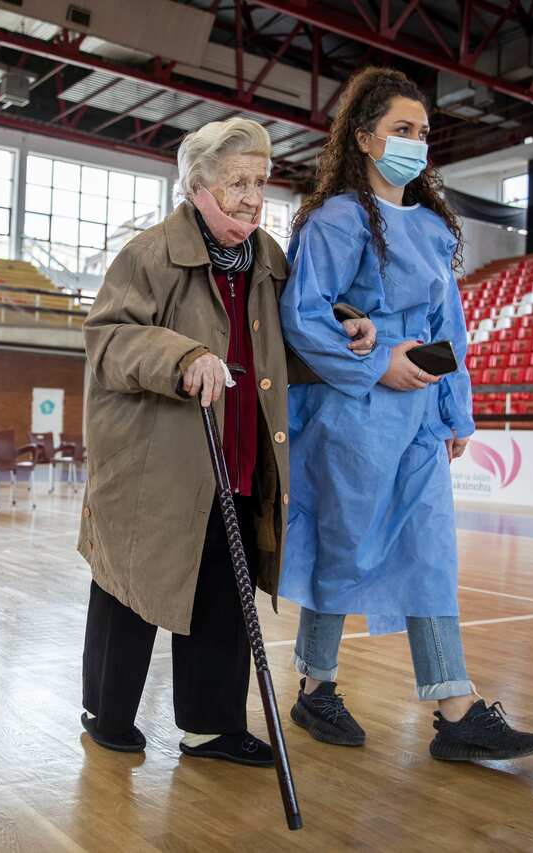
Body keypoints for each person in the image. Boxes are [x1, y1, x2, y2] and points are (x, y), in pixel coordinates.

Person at [77, 117, 375, 766]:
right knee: (132, 585)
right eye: (237, 180)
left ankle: (211, 726)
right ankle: (108, 710)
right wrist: (182, 356)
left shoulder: (268, 261)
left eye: (260, 181)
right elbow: (110, 339)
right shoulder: (152, 253)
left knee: (224, 590)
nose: (251, 194)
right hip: (156, 465)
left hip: (237, 456)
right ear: (200, 184)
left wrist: (341, 332)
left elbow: (290, 343)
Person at [278, 67, 533, 762]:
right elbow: (305, 316)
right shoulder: (335, 220)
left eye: (423, 133)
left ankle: (455, 707)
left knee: (432, 552)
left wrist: (455, 411)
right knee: (344, 546)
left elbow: (449, 327)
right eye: (401, 130)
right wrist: (376, 363)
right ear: (364, 138)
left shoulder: (431, 228)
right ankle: (316, 684)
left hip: (420, 418)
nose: (415, 143)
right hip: (353, 415)